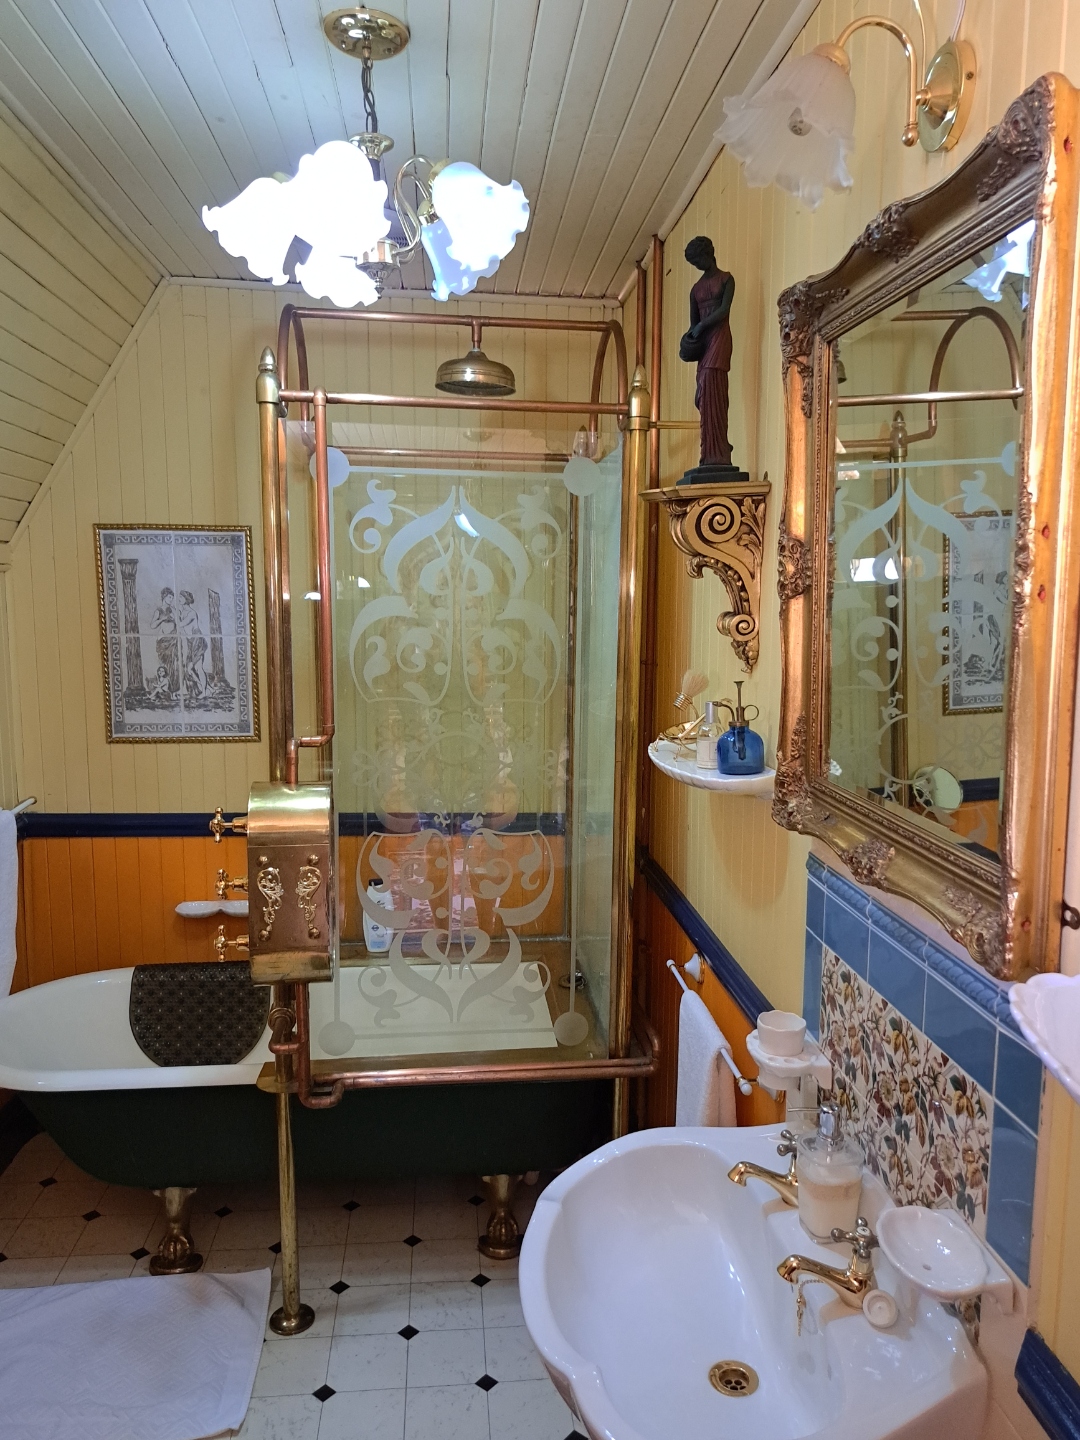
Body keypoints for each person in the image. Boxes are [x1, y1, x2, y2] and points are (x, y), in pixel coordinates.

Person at [680, 235, 735, 469]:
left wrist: (703, 326)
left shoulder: (726, 280)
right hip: (704, 345)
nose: (698, 266)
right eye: (695, 264)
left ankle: (720, 450)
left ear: (709, 254)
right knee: (704, 391)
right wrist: (689, 338)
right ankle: (709, 451)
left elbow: (724, 310)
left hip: (719, 339)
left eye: (699, 260)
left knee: (715, 387)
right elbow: (694, 323)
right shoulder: (696, 289)